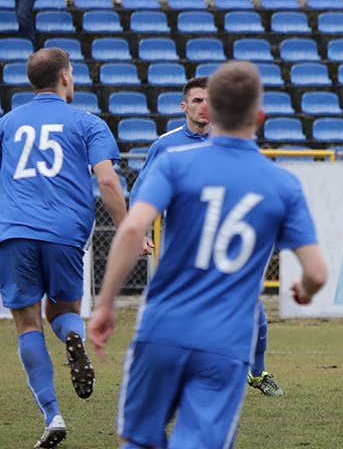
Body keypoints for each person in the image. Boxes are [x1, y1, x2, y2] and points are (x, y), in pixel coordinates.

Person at [87, 61, 328, 449]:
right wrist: (306, 289)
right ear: (260, 116)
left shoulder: (175, 161)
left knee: (138, 440)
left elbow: (132, 227)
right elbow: (316, 271)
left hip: (162, 329)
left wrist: (106, 305)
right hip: (225, 341)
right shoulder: (283, 184)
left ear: (212, 109)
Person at [0, 47, 126, 448]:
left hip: (14, 229)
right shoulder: (86, 121)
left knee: (27, 322)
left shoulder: (6, 123)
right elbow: (107, 181)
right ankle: (74, 338)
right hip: (65, 231)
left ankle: (53, 415)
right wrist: (127, 228)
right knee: (64, 308)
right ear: (66, 78)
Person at [132, 76, 284, 397]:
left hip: (229, 248)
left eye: (210, 101)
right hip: (184, 251)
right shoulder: (166, 144)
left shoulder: (233, 141)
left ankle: (257, 372)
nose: (204, 107)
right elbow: (143, 193)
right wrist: (141, 231)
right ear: (184, 106)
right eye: (197, 101)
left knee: (254, 309)